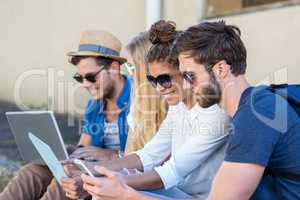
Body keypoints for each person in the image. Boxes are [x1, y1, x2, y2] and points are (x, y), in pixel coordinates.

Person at [79, 20, 230, 200]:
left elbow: (172, 171)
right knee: (103, 193)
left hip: (200, 197)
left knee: (110, 192)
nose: (159, 88)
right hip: (178, 191)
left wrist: (116, 180)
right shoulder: (178, 108)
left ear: (184, 71)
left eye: (164, 79)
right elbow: (148, 155)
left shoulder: (216, 115)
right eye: (152, 80)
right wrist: (93, 170)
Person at [174, 20, 300, 200]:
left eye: (189, 76)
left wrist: (128, 194)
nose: (185, 86)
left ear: (220, 69)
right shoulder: (258, 103)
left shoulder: (257, 115)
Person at [0, 30, 132, 200]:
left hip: (122, 172)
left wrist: (111, 155)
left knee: (67, 180)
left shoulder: (139, 100)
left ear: (114, 68)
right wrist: (68, 156)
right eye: (80, 78)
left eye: (91, 77)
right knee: (33, 171)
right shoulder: (94, 104)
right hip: (94, 167)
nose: (85, 84)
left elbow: (150, 155)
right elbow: (84, 146)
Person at [125, 32, 167, 154]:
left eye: (131, 67)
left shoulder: (176, 106)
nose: (129, 74)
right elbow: (128, 155)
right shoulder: (138, 105)